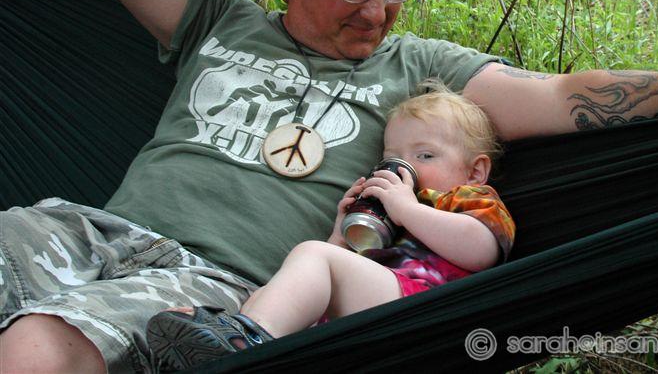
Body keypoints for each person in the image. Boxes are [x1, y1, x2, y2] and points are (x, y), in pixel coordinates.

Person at [1, 0, 658, 374]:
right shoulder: (218, 20)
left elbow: (560, 95)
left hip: (210, 280)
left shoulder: (419, 70)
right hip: (83, 228)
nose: (377, 12)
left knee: (37, 347)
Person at [145, 81, 515, 371]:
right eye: (391, 158)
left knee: (313, 255)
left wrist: (406, 209)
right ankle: (237, 337)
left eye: (425, 155)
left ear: (475, 170)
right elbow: (341, 276)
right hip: (368, 311)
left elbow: (482, 250)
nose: (405, 167)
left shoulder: (467, 197)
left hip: (425, 310)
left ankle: (248, 344)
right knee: (278, 288)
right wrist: (342, 234)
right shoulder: (391, 210)